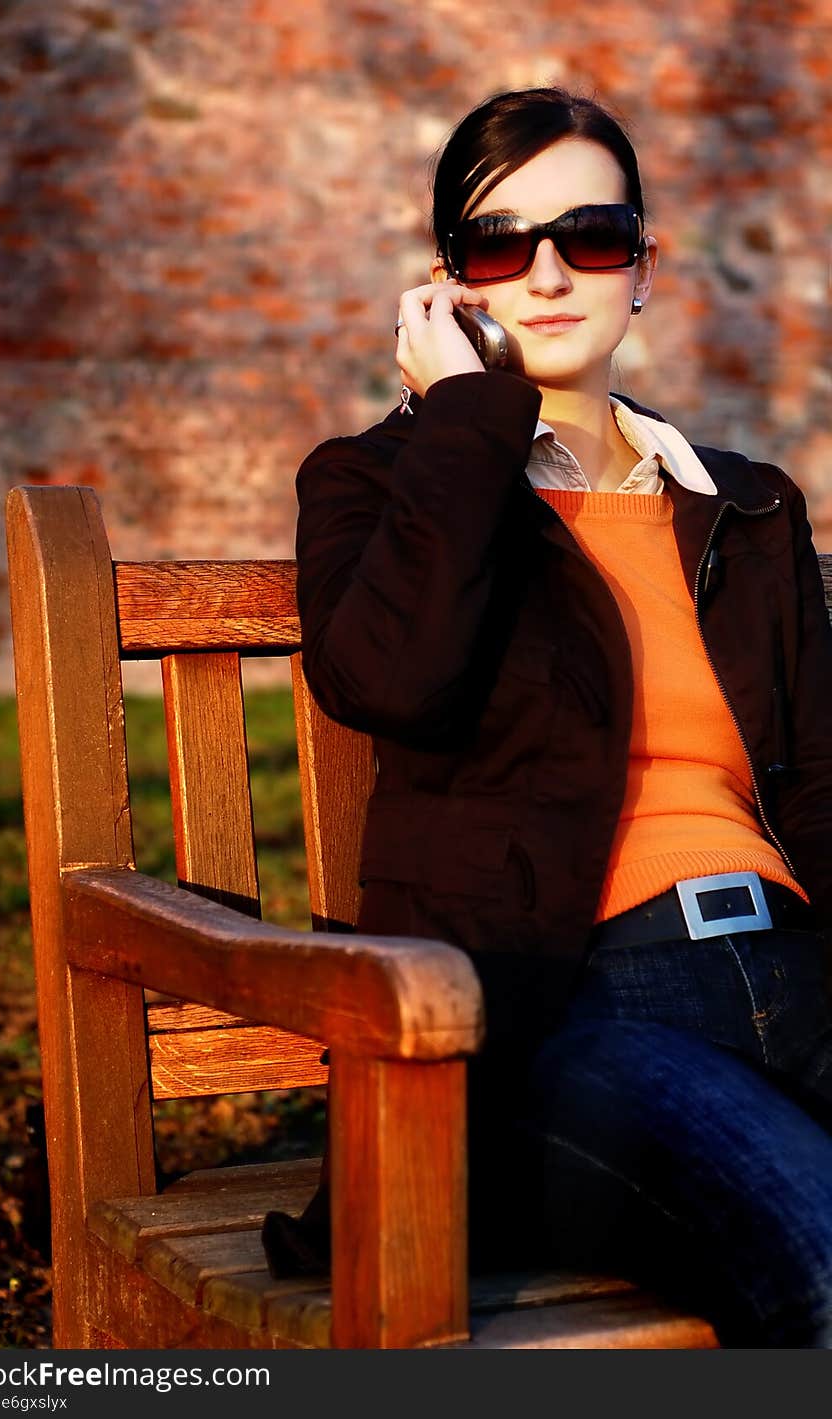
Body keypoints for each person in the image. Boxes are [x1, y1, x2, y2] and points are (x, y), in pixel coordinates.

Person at [263, 86, 832, 1347]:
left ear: (642, 266)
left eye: (591, 236)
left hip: (797, 972)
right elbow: (389, 682)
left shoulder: (743, 505)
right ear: (448, 284)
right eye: (498, 244)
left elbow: (819, 787)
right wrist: (467, 418)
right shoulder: (379, 483)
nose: (548, 272)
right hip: (571, 1017)